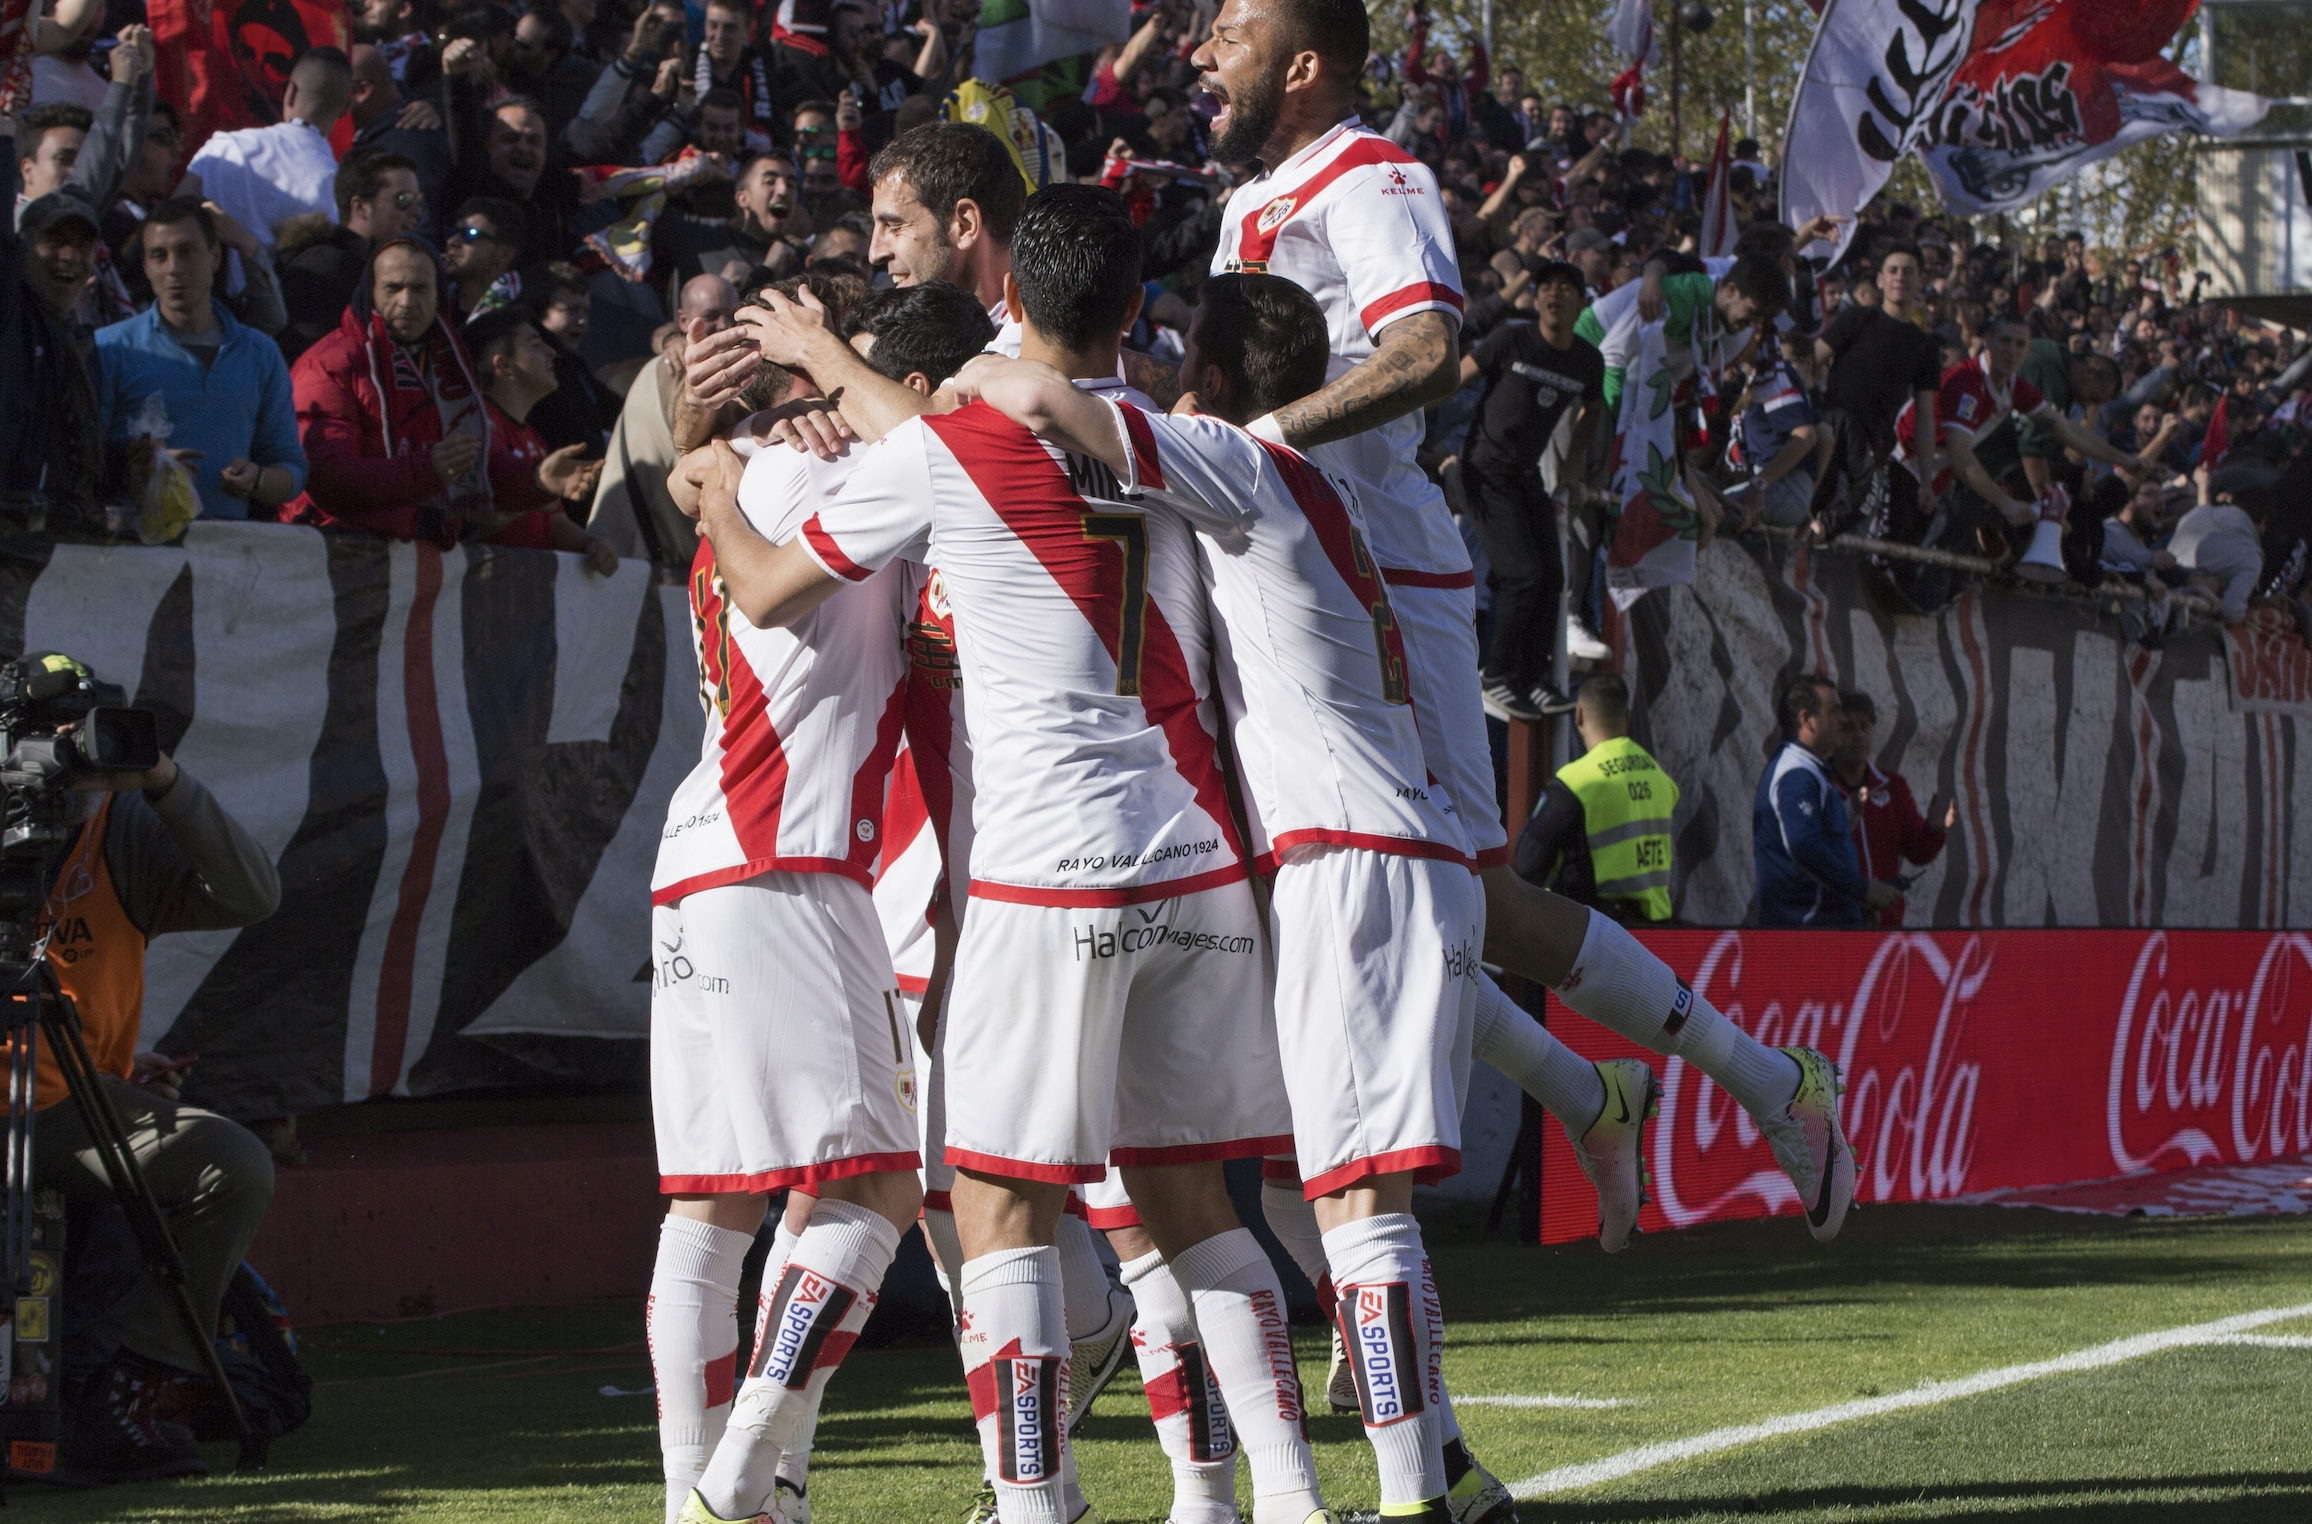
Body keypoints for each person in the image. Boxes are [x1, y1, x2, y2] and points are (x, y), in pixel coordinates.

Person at [1197, 1, 1856, 1510]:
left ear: (1303, 58)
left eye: (1231, 26)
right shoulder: (1244, 202)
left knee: (1455, 890)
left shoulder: (1373, 176)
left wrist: (1266, 447)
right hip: (1271, 572)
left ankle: (1747, 1083)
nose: (1202, 48)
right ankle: (1601, 1109)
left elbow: (1429, 348)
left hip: (1382, 576)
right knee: (1352, 907)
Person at [702, 187, 1315, 1524]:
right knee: (1193, 1209)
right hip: (1192, 862)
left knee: (995, 1209)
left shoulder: (952, 446)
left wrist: (712, 485)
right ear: (1137, 312)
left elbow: (763, 586)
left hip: (1051, 872)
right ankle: (1275, 1502)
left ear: (1010, 305)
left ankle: (1035, 1509)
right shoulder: (1180, 443)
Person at [647, 277, 986, 1524]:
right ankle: (744, 1471)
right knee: (876, 1188)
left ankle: (700, 1501)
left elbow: (692, 479)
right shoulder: (832, 478)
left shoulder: (739, 465)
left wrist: (711, 444)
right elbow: (943, 462)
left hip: (696, 863)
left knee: (712, 1212)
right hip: (783, 858)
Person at [2, 654, 280, 1484]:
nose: (72, 753)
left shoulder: (116, 828)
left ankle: (119, 1391)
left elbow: (251, 894)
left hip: (61, 1110)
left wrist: (161, 780)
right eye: (50, 735)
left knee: (234, 1164)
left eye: (84, 730)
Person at [287, 236, 590, 545]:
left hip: (413, 558)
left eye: (420, 289)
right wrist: (427, 469)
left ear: (438, 296)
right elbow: (327, 477)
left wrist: (536, 479)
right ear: (371, 292)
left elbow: (481, 470)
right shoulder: (331, 363)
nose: (406, 302)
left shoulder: (448, 367)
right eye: (393, 288)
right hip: (332, 552)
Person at [1455, 258, 1604, 720]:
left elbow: (1591, 410)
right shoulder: (1512, 338)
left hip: (1527, 475)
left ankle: (1536, 681)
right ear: (1536, 298)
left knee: (1554, 578)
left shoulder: (1586, 359)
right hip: (1483, 470)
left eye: (1565, 289)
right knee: (1522, 574)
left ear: (1582, 302)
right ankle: (1495, 675)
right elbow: (1453, 379)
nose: (1554, 295)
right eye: (1546, 288)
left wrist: (1572, 470)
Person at [95, 198, 306, 520]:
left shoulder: (259, 354)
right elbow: (82, 461)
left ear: (215, 257)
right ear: (146, 267)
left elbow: (291, 468)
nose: (173, 268)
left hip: (228, 554)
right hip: (133, 554)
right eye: (158, 255)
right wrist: (142, 464)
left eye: (186, 251)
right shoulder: (111, 349)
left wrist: (258, 480)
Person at [590, 273, 738, 565]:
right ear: (683, 320)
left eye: (732, 314)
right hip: (638, 557)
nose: (724, 325)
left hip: (642, 555)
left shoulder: (693, 363)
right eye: (711, 315)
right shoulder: (679, 370)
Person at [1512, 674, 1676, 924]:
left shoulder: (1577, 781)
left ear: (1578, 715)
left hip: (1596, 931)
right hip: (1655, 932)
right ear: (1627, 717)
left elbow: (1527, 862)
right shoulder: (1659, 777)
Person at [463, 306, 617, 565]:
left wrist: (590, 544)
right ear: (504, 365)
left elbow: (554, 522)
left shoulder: (533, 436)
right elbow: (473, 517)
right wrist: (538, 485)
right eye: (535, 345)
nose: (551, 352)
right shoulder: (477, 426)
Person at [1755, 674, 1896, 929]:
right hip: (1808, 935)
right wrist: (1861, 891)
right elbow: (1802, 844)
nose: (1842, 721)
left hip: (1822, 931)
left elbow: (1813, 833)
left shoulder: (1809, 769)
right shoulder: (1795, 774)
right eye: (1834, 712)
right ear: (1806, 719)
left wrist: (1847, 812)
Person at [179, 46, 352, 249]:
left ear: (290, 93)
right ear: (344, 109)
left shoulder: (225, 148)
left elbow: (174, 214)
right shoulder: (338, 188)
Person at [277, 146, 423, 362]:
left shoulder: (373, 265)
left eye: (418, 201)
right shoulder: (324, 266)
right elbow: (309, 361)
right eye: (403, 200)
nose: (417, 212)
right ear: (361, 207)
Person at [1831, 690, 1949, 929]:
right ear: (1833, 731)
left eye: (1865, 726)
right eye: (1849, 728)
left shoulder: (1893, 786)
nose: (1859, 736)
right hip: (1834, 928)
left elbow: (1917, 852)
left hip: (1886, 929)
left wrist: (1934, 830)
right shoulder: (1818, 785)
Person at [520, 260, 619, 455]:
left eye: (586, 311)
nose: (582, 321)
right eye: (571, 310)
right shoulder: (531, 368)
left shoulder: (575, 366)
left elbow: (614, 411)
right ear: (540, 310)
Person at [443, 196, 526, 321]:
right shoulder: (434, 306)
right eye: (452, 232)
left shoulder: (523, 316)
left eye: (469, 234)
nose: (452, 241)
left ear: (504, 255)